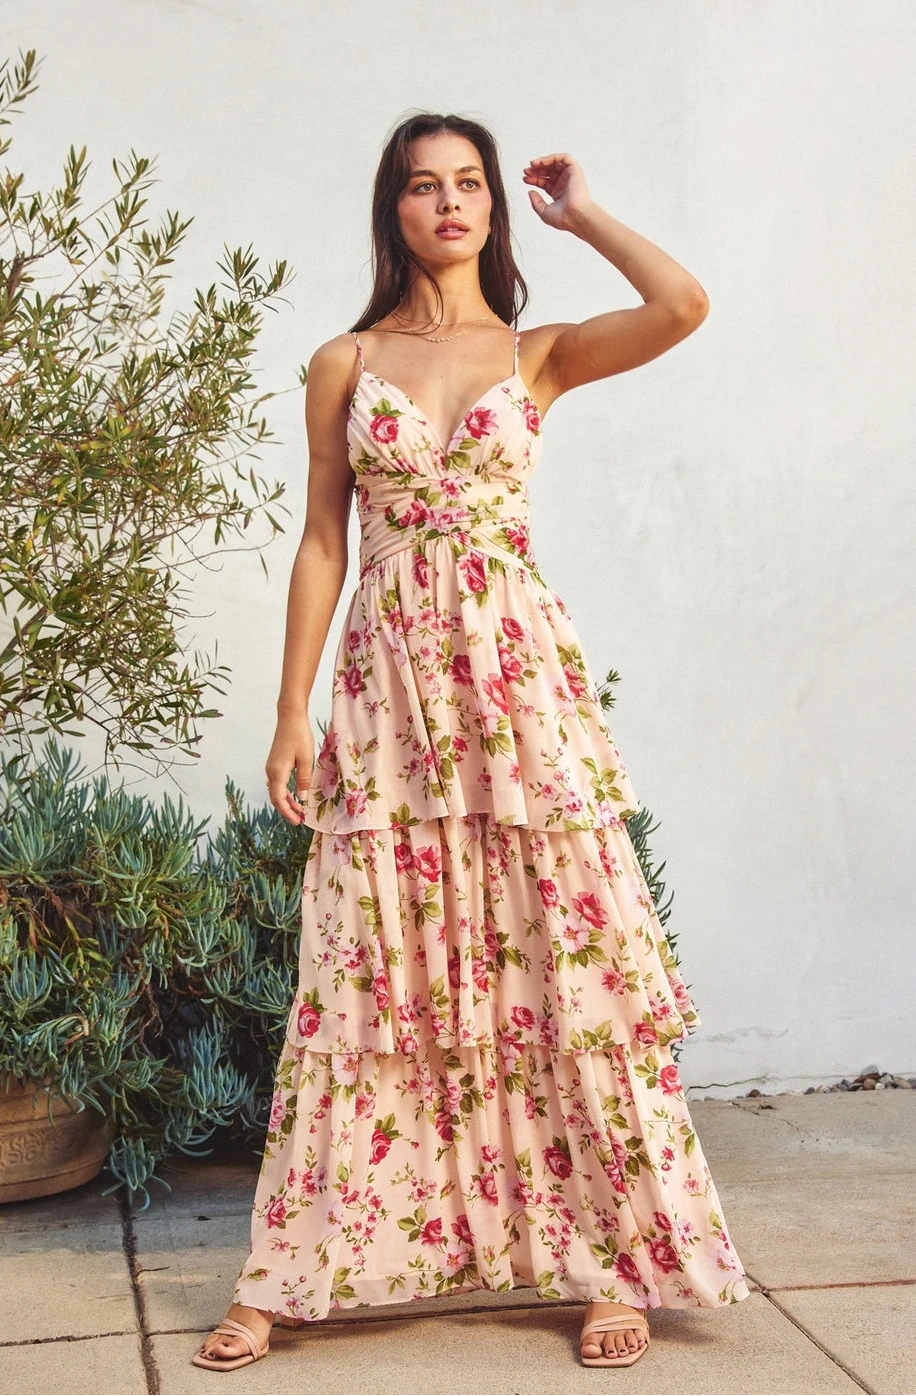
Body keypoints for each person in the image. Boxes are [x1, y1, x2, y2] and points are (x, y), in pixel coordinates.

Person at [192, 112, 749, 1374]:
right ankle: (288, 1276)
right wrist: (291, 709)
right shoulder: (343, 359)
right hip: (389, 691)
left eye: (470, 186)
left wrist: (584, 213)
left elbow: (683, 304)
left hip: (516, 686)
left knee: (561, 954)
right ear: (390, 210)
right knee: (365, 962)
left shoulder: (537, 353)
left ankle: (610, 1259)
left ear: (495, 207)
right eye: (422, 187)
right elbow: (324, 540)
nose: (448, 204)